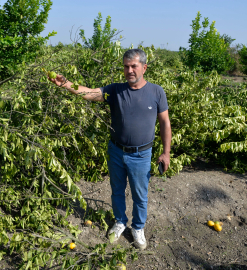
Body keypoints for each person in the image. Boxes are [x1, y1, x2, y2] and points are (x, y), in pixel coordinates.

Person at [48, 48, 171, 250]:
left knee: (140, 195)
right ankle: (120, 221)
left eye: (134, 66)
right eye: (126, 66)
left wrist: (166, 153)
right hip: (116, 151)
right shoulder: (115, 90)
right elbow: (89, 93)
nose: (129, 70)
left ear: (144, 67)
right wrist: (65, 83)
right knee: (117, 191)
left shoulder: (156, 92)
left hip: (141, 154)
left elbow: (165, 123)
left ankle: (138, 227)